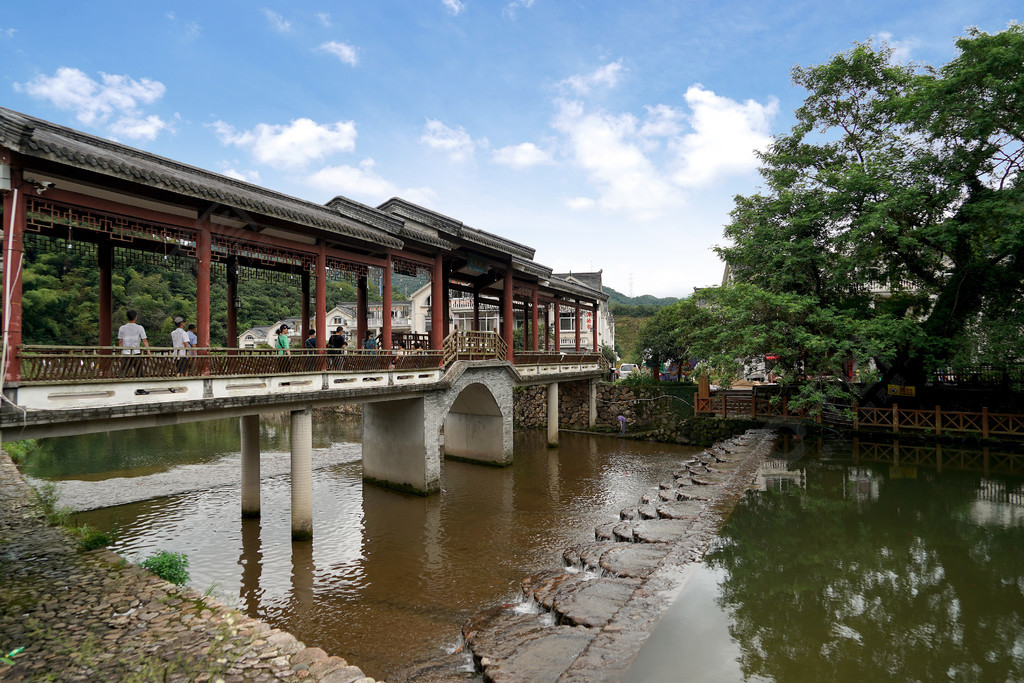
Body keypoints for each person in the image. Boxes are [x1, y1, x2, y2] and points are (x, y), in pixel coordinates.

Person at [117, 309, 150, 377]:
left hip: (125, 353)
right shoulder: (140, 328)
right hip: (136, 353)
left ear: (127, 318)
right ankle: (140, 386)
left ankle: (120, 385)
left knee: (123, 372)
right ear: (136, 318)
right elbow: (144, 340)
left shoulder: (122, 328)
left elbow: (120, 341)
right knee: (139, 372)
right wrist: (148, 351)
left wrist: (121, 352)